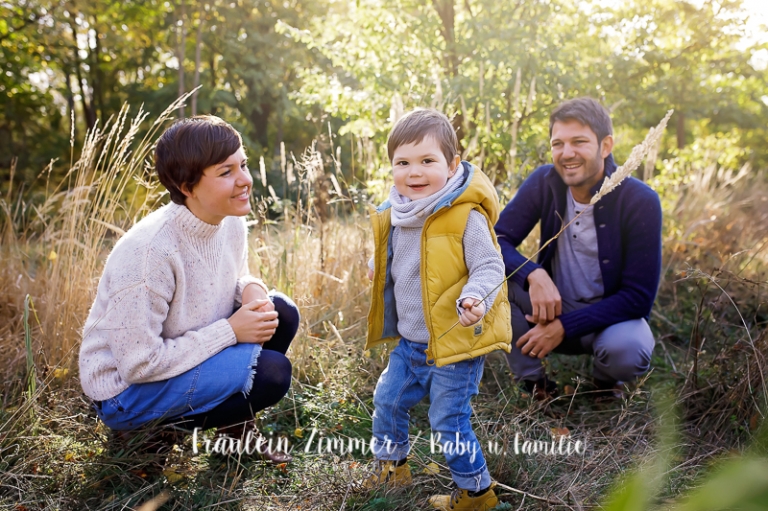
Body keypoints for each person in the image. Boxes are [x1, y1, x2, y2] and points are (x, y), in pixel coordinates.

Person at [78, 115, 299, 461]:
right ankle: (143, 437)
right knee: (271, 374)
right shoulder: (149, 252)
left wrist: (251, 290)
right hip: (127, 391)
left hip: (181, 353)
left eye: (243, 164)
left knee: (281, 312)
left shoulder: (229, 220)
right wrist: (229, 331)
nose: (244, 180)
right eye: (226, 172)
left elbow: (231, 276)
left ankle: (236, 432)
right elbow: (138, 363)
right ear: (187, 186)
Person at [365, 109, 511, 511]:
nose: (415, 172)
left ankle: (476, 494)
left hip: (453, 343)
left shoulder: (465, 216)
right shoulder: (395, 213)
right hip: (411, 344)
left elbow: (490, 266)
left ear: (452, 165)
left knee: (448, 420)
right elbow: (398, 264)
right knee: (388, 399)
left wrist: (476, 298)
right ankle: (391, 466)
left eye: (427, 161)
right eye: (403, 162)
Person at [494, 97, 661, 400]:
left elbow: (638, 298)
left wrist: (564, 326)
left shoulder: (640, 201)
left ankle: (605, 384)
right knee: (490, 283)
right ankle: (534, 386)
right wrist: (533, 275)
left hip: (610, 320)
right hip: (550, 307)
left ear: (605, 145)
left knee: (628, 350)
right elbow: (496, 241)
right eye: (558, 143)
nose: (566, 153)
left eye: (579, 142)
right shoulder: (544, 182)